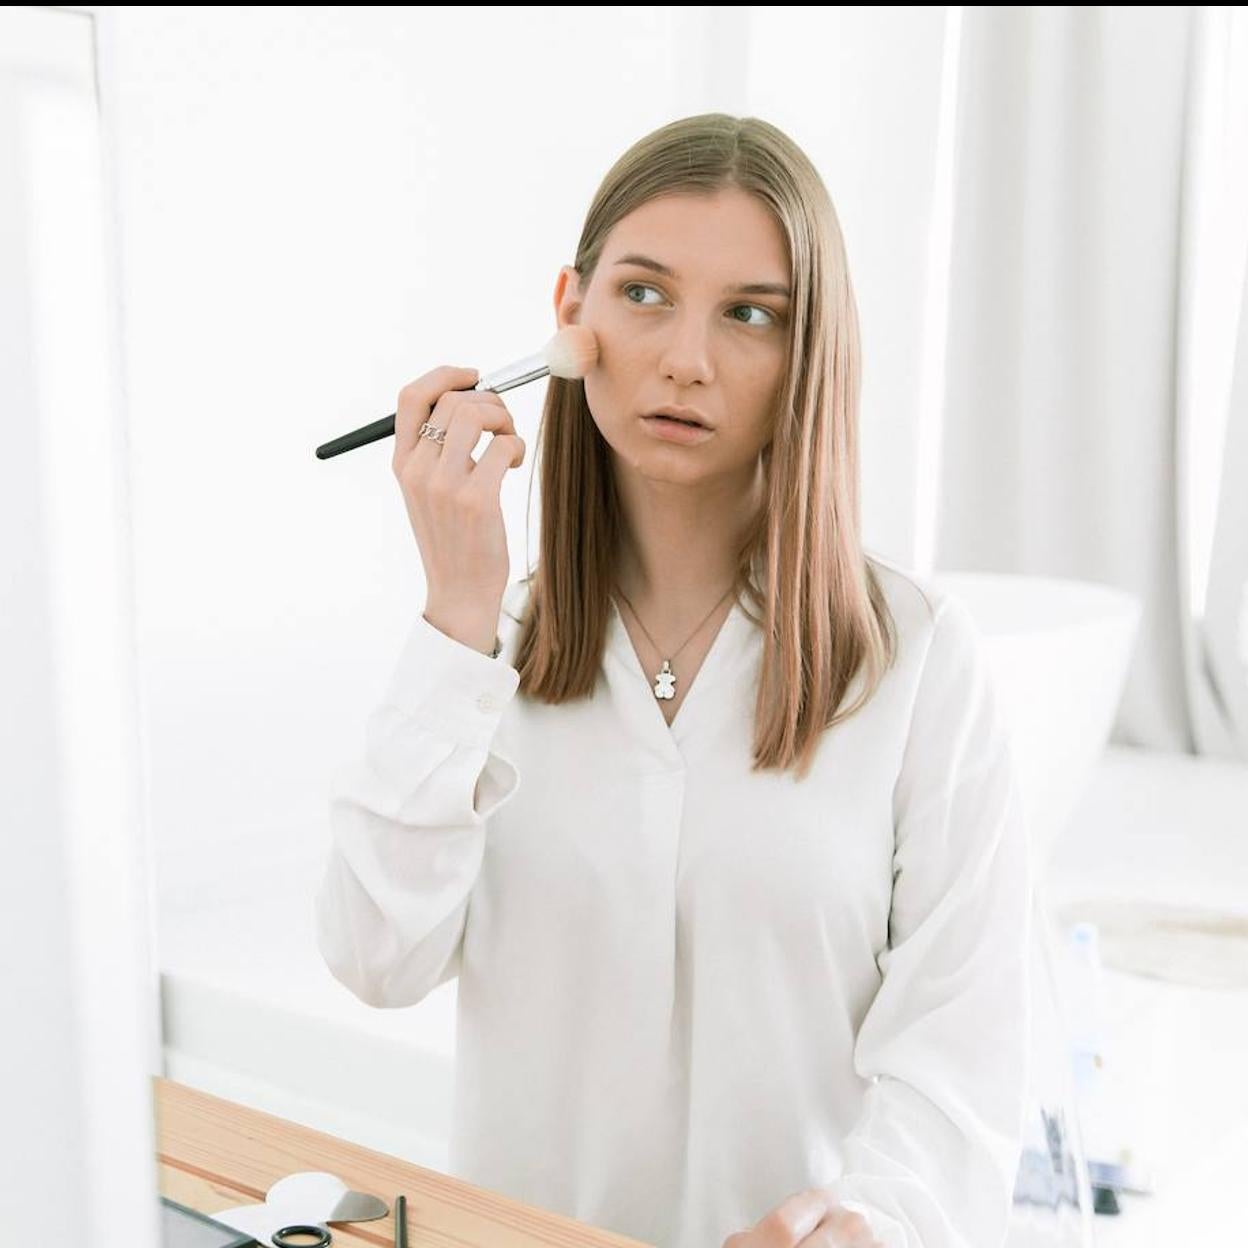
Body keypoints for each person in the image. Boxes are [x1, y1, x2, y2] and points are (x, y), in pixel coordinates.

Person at [314, 113, 1032, 1248]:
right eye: (644, 294)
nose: (685, 359)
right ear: (570, 314)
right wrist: (455, 620)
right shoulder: (487, 645)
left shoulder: (919, 661)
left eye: (752, 315)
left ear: (811, 353)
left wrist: (866, 1225)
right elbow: (373, 957)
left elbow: (963, 1062)